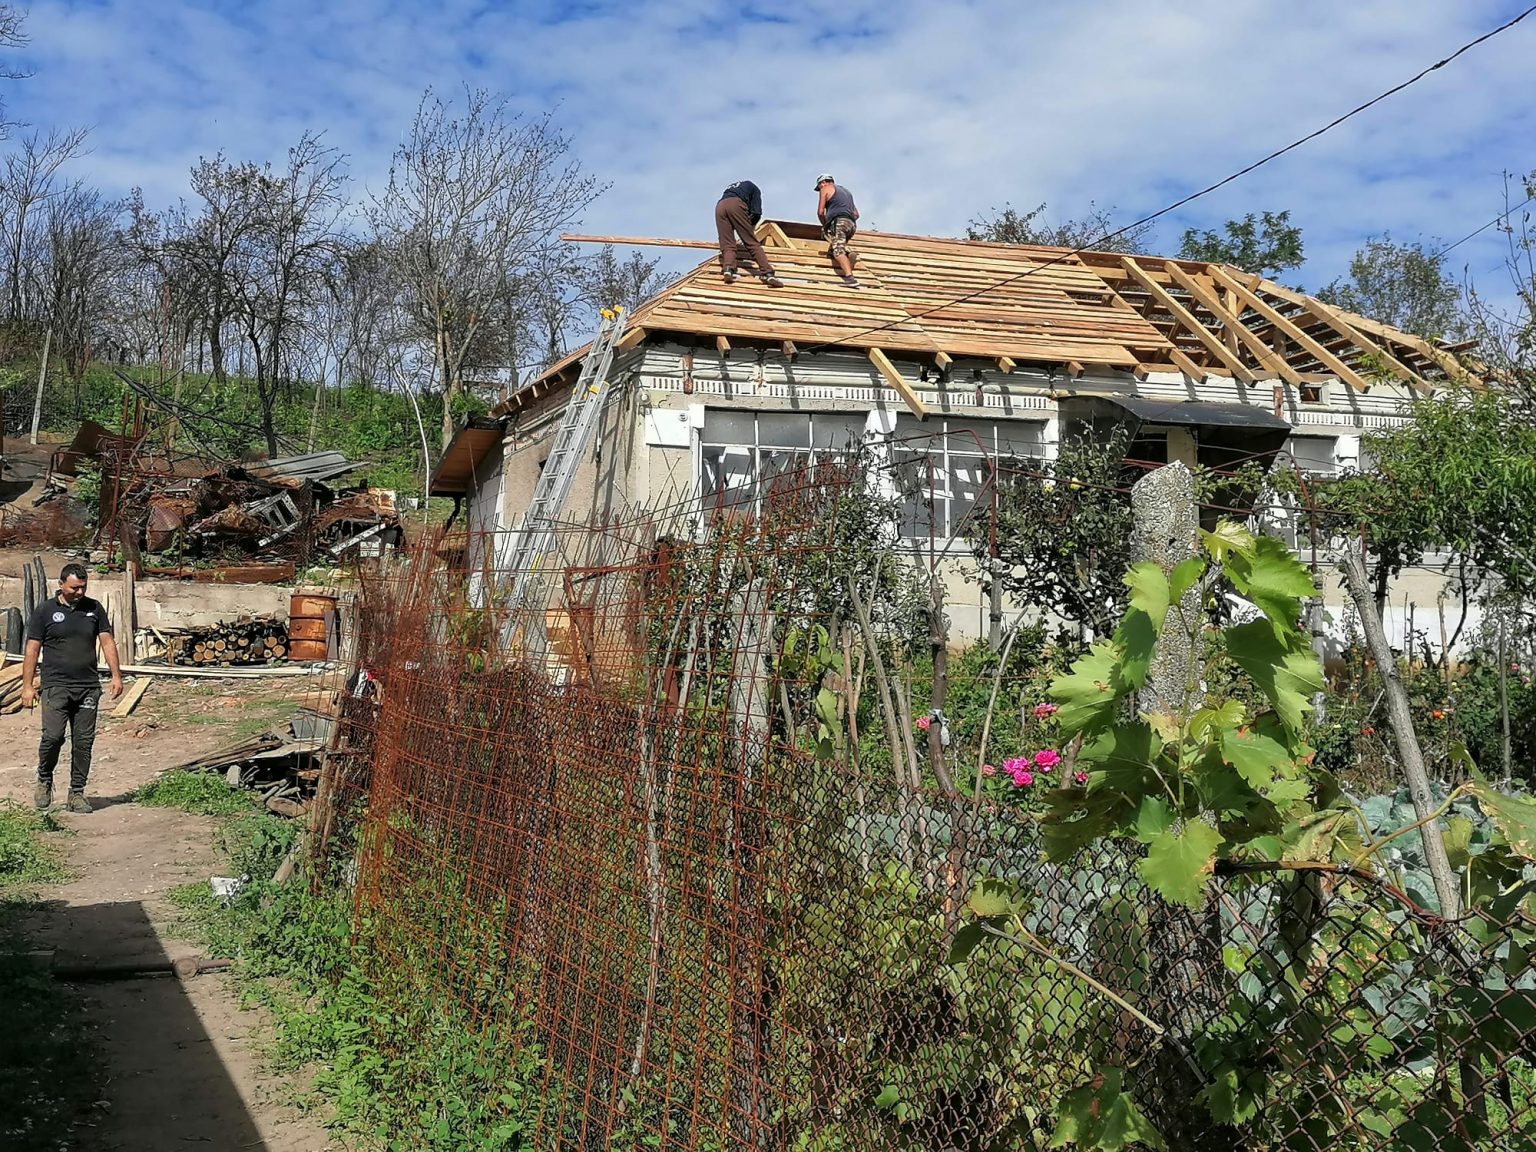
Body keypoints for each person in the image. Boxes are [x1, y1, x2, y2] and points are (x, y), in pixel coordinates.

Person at [21, 563, 124, 813]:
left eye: (83, 587)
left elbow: (107, 642)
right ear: (61, 585)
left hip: (88, 686)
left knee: (83, 742)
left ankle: (76, 794)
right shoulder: (45, 611)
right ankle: (44, 779)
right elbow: (32, 649)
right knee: (53, 736)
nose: (79, 592)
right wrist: (27, 686)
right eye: (74, 587)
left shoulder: (94, 609)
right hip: (56, 685)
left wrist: (116, 675)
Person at [715, 181, 783, 287]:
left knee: (727, 243)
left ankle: (728, 269)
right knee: (751, 242)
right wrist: (749, 229)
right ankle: (768, 273)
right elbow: (756, 213)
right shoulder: (755, 190)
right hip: (735, 204)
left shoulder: (737, 187)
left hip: (720, 206)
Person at [814, 173, 860, 287]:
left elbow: (820, 212)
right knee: (835, 247)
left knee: (838, 251)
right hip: (851, 224)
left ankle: (850, 278)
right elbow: (856, 214)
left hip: (839, 222)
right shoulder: (846, 191)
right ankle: (849, 255)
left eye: (819, 186)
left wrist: (825, 226)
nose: (819, 189)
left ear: (823, 182)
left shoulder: (825, 188)